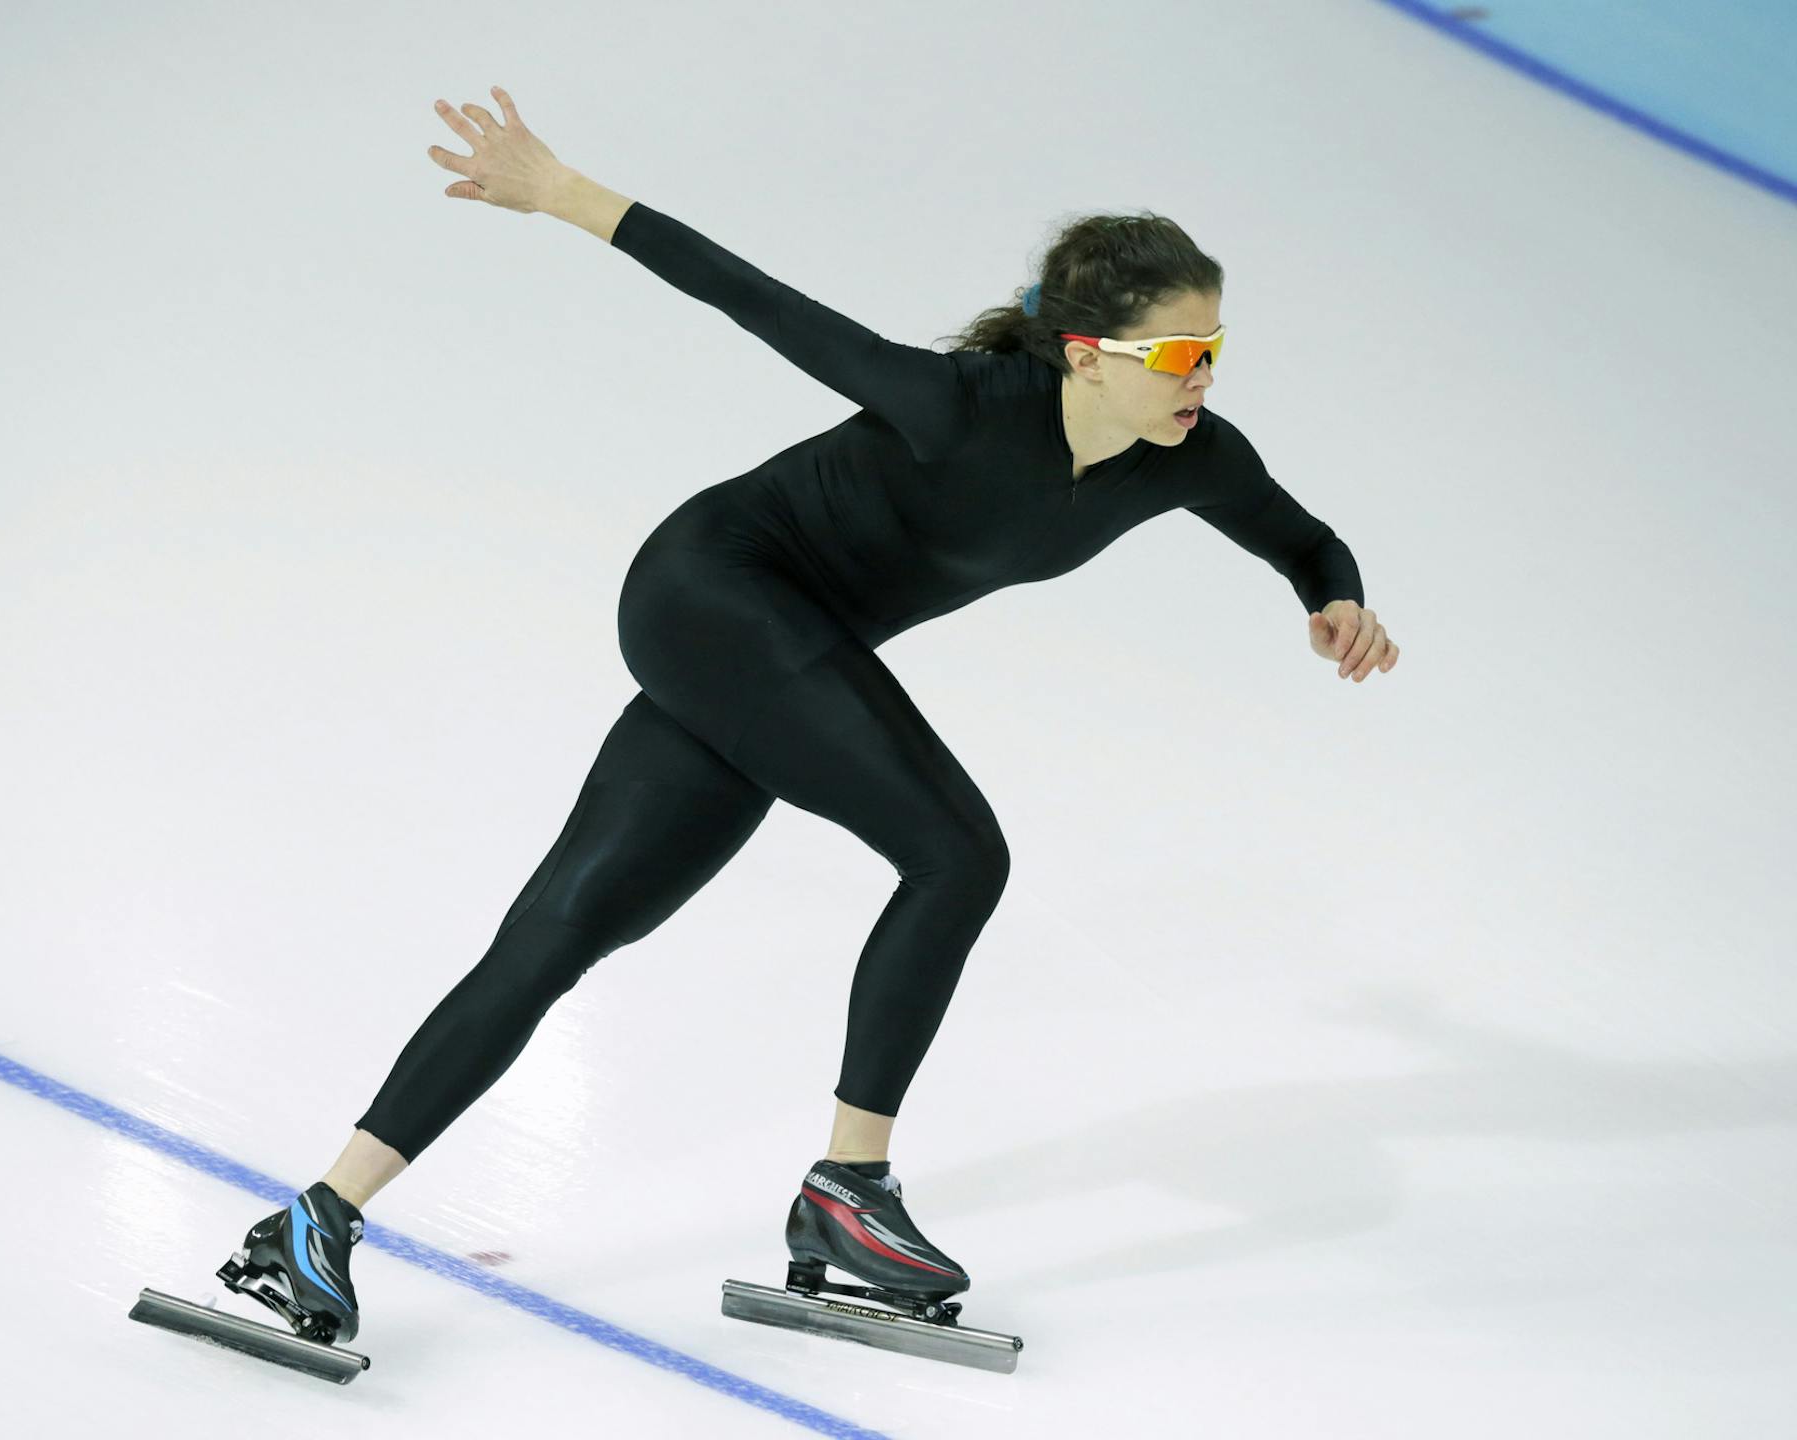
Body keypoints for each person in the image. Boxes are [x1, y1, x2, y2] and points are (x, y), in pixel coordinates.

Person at [213, 86, 1402, 1349]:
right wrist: (564, 193)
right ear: (1085, 351)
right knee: (957, 854)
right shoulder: (962, 405)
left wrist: (1337, 601)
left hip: (783, 656)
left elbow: (1302, 536)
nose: (1202, 378)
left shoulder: (1192, 455)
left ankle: (313, 1218)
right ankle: (851, 1190)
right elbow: (758, 299)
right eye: (1178, 354)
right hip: (713, 594)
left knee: (567, 928)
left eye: (1216, 349)